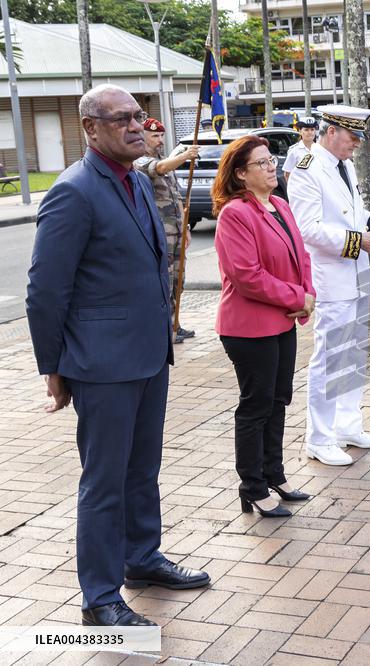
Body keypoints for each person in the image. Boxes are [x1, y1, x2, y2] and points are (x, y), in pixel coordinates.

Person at [26, 84, 210, 627]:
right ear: (90, 128)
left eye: (137, 115)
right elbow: (45, 290)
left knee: (142, 469)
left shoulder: (135, 181)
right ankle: (100, 597)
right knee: (104, 483)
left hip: (149, 355)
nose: (135, 126)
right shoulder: (74, 191)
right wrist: (52, 367)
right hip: (102, 365)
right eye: (121, 119)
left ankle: (141, 558)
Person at [288, 105, 370, 466]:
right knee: (330, 356)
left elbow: (352, 211)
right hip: (331, 275)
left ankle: (347, 425)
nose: (357, 144)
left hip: (356, 273)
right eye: (353, 137)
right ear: (331, 131)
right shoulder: (307, 169)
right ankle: (319, 438)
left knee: (353, 353)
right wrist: (359, 241)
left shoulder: (344, 165)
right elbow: (308, 229)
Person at [213, 135, 315, 517]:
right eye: (262, 162)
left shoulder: (280, 205)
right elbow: (247, 276)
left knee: (278, 400)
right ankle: (252, 487)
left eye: (271, 159)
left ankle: (275, 474)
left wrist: (307, 294)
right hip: (248, 327)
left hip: (281, 322)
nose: (272, 167)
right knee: (256, 407)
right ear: (241, 174)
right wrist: (296, 297)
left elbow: (301, 256)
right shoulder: (235, 214)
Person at [135, 117, 199, 343]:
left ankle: (175, 324)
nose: (160, 140)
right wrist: (184, 156)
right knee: (166, 279)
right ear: (142, 137)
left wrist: (186, 227)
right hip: (160, 233)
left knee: (179, 280)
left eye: (161, 135)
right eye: (154, 136)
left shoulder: (165, 160)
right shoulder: (139, 161)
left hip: (177, 231)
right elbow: (159, 169)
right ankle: (163, 329)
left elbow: (177, 196)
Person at [281, 115, 318, 184]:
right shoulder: (294, 151)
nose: (310, 132)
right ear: (300, 131)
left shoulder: (320, 149)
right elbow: (287, 174)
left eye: (312, 129)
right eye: (306, 130)